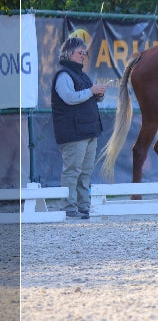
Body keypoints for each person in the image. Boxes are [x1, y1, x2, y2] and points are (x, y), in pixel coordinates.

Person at [51, 36, 107, 219]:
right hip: (73, 132)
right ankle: (68, 207)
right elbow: (69, 98)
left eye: (84, 52)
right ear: (68, 53)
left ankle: (83, 206)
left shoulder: (82, 75)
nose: (83, 55)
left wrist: (98, 94)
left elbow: (86, 96)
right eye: (79, 52)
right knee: (73, 170)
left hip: (89, 130)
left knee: (86, 171)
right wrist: (91, 91)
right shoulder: (63, 75)